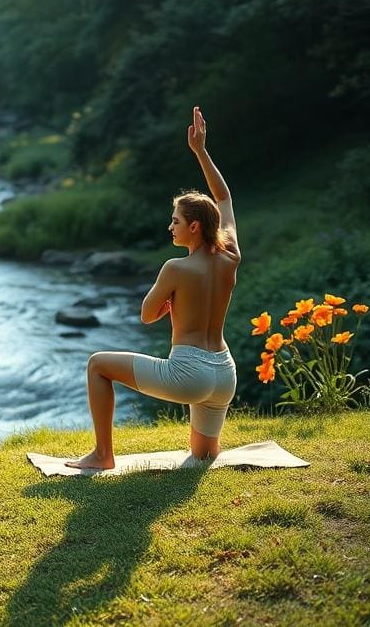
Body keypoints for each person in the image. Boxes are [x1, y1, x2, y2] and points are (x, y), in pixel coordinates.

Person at [65, 106, 241, 469]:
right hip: (224, 373)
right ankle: (206, 449)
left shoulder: (175, 267)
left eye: (176, 220)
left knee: (98, 364)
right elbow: (223, 199)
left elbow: (147, 316)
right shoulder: (231, 256)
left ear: (194, 227)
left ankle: (103, 454)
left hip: (188, 373)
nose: (170, 226)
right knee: (204, 456)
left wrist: (169, 303)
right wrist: (201, 152)